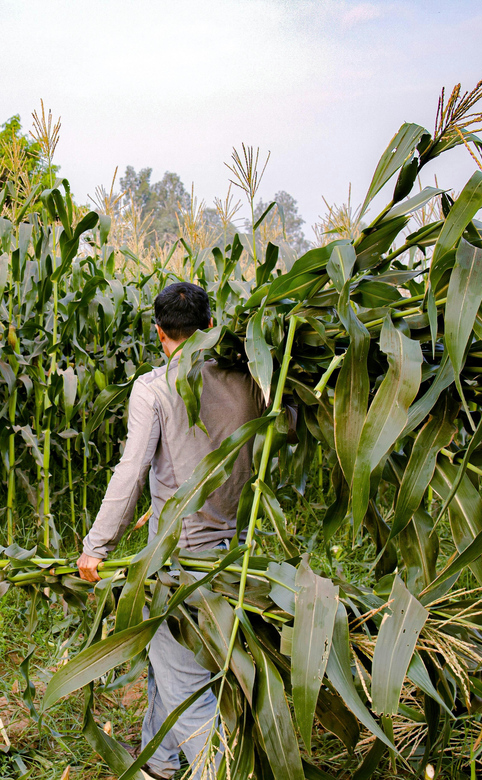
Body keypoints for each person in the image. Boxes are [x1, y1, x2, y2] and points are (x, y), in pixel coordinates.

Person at [77, 281, 263, 780]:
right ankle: (157, 765)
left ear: (159, 332)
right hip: (231, 554)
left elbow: (130, 470)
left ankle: (214, 772)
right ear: (209, 328)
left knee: (185, 685)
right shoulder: (251, 381)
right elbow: (281, 425)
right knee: (172, 661)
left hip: (180, 564)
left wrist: (97, 547)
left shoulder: (154, 387)